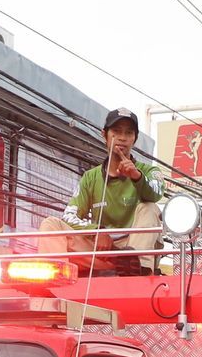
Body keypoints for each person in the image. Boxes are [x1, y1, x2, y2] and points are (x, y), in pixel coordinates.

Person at [36, 108, 164, 270]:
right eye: (116, 132)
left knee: (149, 207)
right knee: (50, 224)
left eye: (128, 133)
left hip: (134, 249)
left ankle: (139, 268)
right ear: (104, 135)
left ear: (134, 139)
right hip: (103, 252)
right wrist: (97, 232)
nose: (122, 138)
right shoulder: (91, 177)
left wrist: (136, 176)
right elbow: (69, 216)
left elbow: (156, 194)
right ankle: (55, 277)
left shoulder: (149, 172)